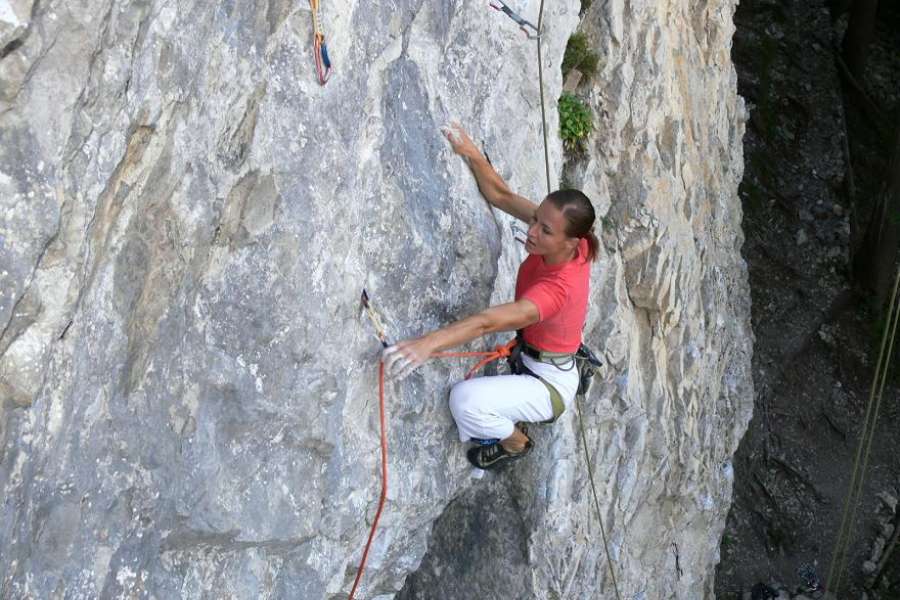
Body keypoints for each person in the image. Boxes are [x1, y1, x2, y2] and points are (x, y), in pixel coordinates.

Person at [383, 123, 599, 470]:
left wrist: (426, 344)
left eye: (544, 230)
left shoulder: (556, 290)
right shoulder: (573, 240)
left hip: (549, 385)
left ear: (571, 242)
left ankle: (515, 442)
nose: (532, 232)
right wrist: (471, 153)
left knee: (464, 400)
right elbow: (501, 196)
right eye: (535, 220)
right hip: (540, 355)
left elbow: (487, 322)